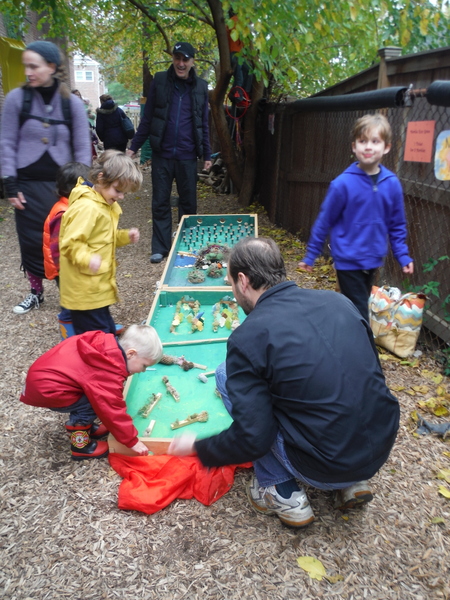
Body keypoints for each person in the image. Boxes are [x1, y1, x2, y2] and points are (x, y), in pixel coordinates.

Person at [168, 237, 400, 528]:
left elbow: (254, 438)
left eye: (230, 282)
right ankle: (353, 481)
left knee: (225, 375)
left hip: (325, 464)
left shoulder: (248, 337)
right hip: (378, 445)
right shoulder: (339, 302)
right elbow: (368, 377)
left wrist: (201, 448)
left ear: (243, 281)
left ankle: (282, 490)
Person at [0, 41, 92, 314]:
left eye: (34, 66)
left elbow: (82, 147)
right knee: (30, 240)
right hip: (26, 186)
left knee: (64, 239)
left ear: (51, 67)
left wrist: (82, 187)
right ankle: (36, 292)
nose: (28, 71)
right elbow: (6, 143)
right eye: (26, 66)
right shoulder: (17, 99)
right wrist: (9, 182)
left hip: (60, 187)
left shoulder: (71, 103)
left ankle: (70, 292)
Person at [298, 113, 414, 323]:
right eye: (363, 141)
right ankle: (365, 350)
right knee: (360, 310)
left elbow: (396, 224)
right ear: (354, 146)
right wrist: (311, 254)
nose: (368, 147)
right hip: (347, 259)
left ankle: (338, 330)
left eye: (375, 141)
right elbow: (325, 221)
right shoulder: (342, 184)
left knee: (354, 305)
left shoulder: (391, 184)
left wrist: (402, 255)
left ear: (386, 147)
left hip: (372, 259)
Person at [20, 324, 163, 461]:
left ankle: (88, 427)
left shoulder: (104, 345)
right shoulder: (107, 371)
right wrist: (132, 441)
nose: (143, 371)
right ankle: (80, 446)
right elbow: (112, 410)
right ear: (131, 354)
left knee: (93, 395)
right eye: (144, 366)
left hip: (42, 379)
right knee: (93, 402)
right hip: (48, 390)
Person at [127, 42, 212, 264]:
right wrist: (134, 146)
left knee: (188, 203)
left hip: (187, 155)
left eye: (185, 59)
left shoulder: (201, 87)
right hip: (162, 154)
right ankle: (160, 247)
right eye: (177, 58)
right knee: (160, 201)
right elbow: (148, 118)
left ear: (192, 61)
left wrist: (207, 155)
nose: (181, 63)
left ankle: (186, 247)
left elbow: (204, 123)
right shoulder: (160, 81)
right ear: (173, 59)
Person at [59, 150, 142, 335]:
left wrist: (125, 236)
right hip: (84, 291)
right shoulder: (87, 207)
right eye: (118, 190)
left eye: (124, 193)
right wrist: (87, 259)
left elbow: (104, 237)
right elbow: (71, 243)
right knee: (97, 339)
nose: (121, 196)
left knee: (105, 332)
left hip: (96, 289)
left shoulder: (104, 203)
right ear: (101, 178)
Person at [43, 161, 91, 325]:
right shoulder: (63, 214)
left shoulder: (72, 207)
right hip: (65, 270)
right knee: (71, 306)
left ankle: (90, 328)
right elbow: (58, 249)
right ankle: (70, 335)